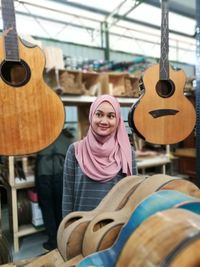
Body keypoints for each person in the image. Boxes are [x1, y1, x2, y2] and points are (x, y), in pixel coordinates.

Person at [62, 94, 138, 218]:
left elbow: (132, 196)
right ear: (91, 115)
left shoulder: (127, 153)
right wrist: (67, 227)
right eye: (99, 114)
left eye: (110, 116)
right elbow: (67, 195)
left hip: (112, 228)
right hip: (80, 226)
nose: (104, 121)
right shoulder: (75, 150)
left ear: (118, 119)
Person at [35, 129, 74, 251]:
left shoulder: (40, 139)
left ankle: (52, 241)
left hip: (44, 175)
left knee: (47, 208)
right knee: (61, 208)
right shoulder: (66, 138)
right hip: (60, 175)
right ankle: (62, 239)